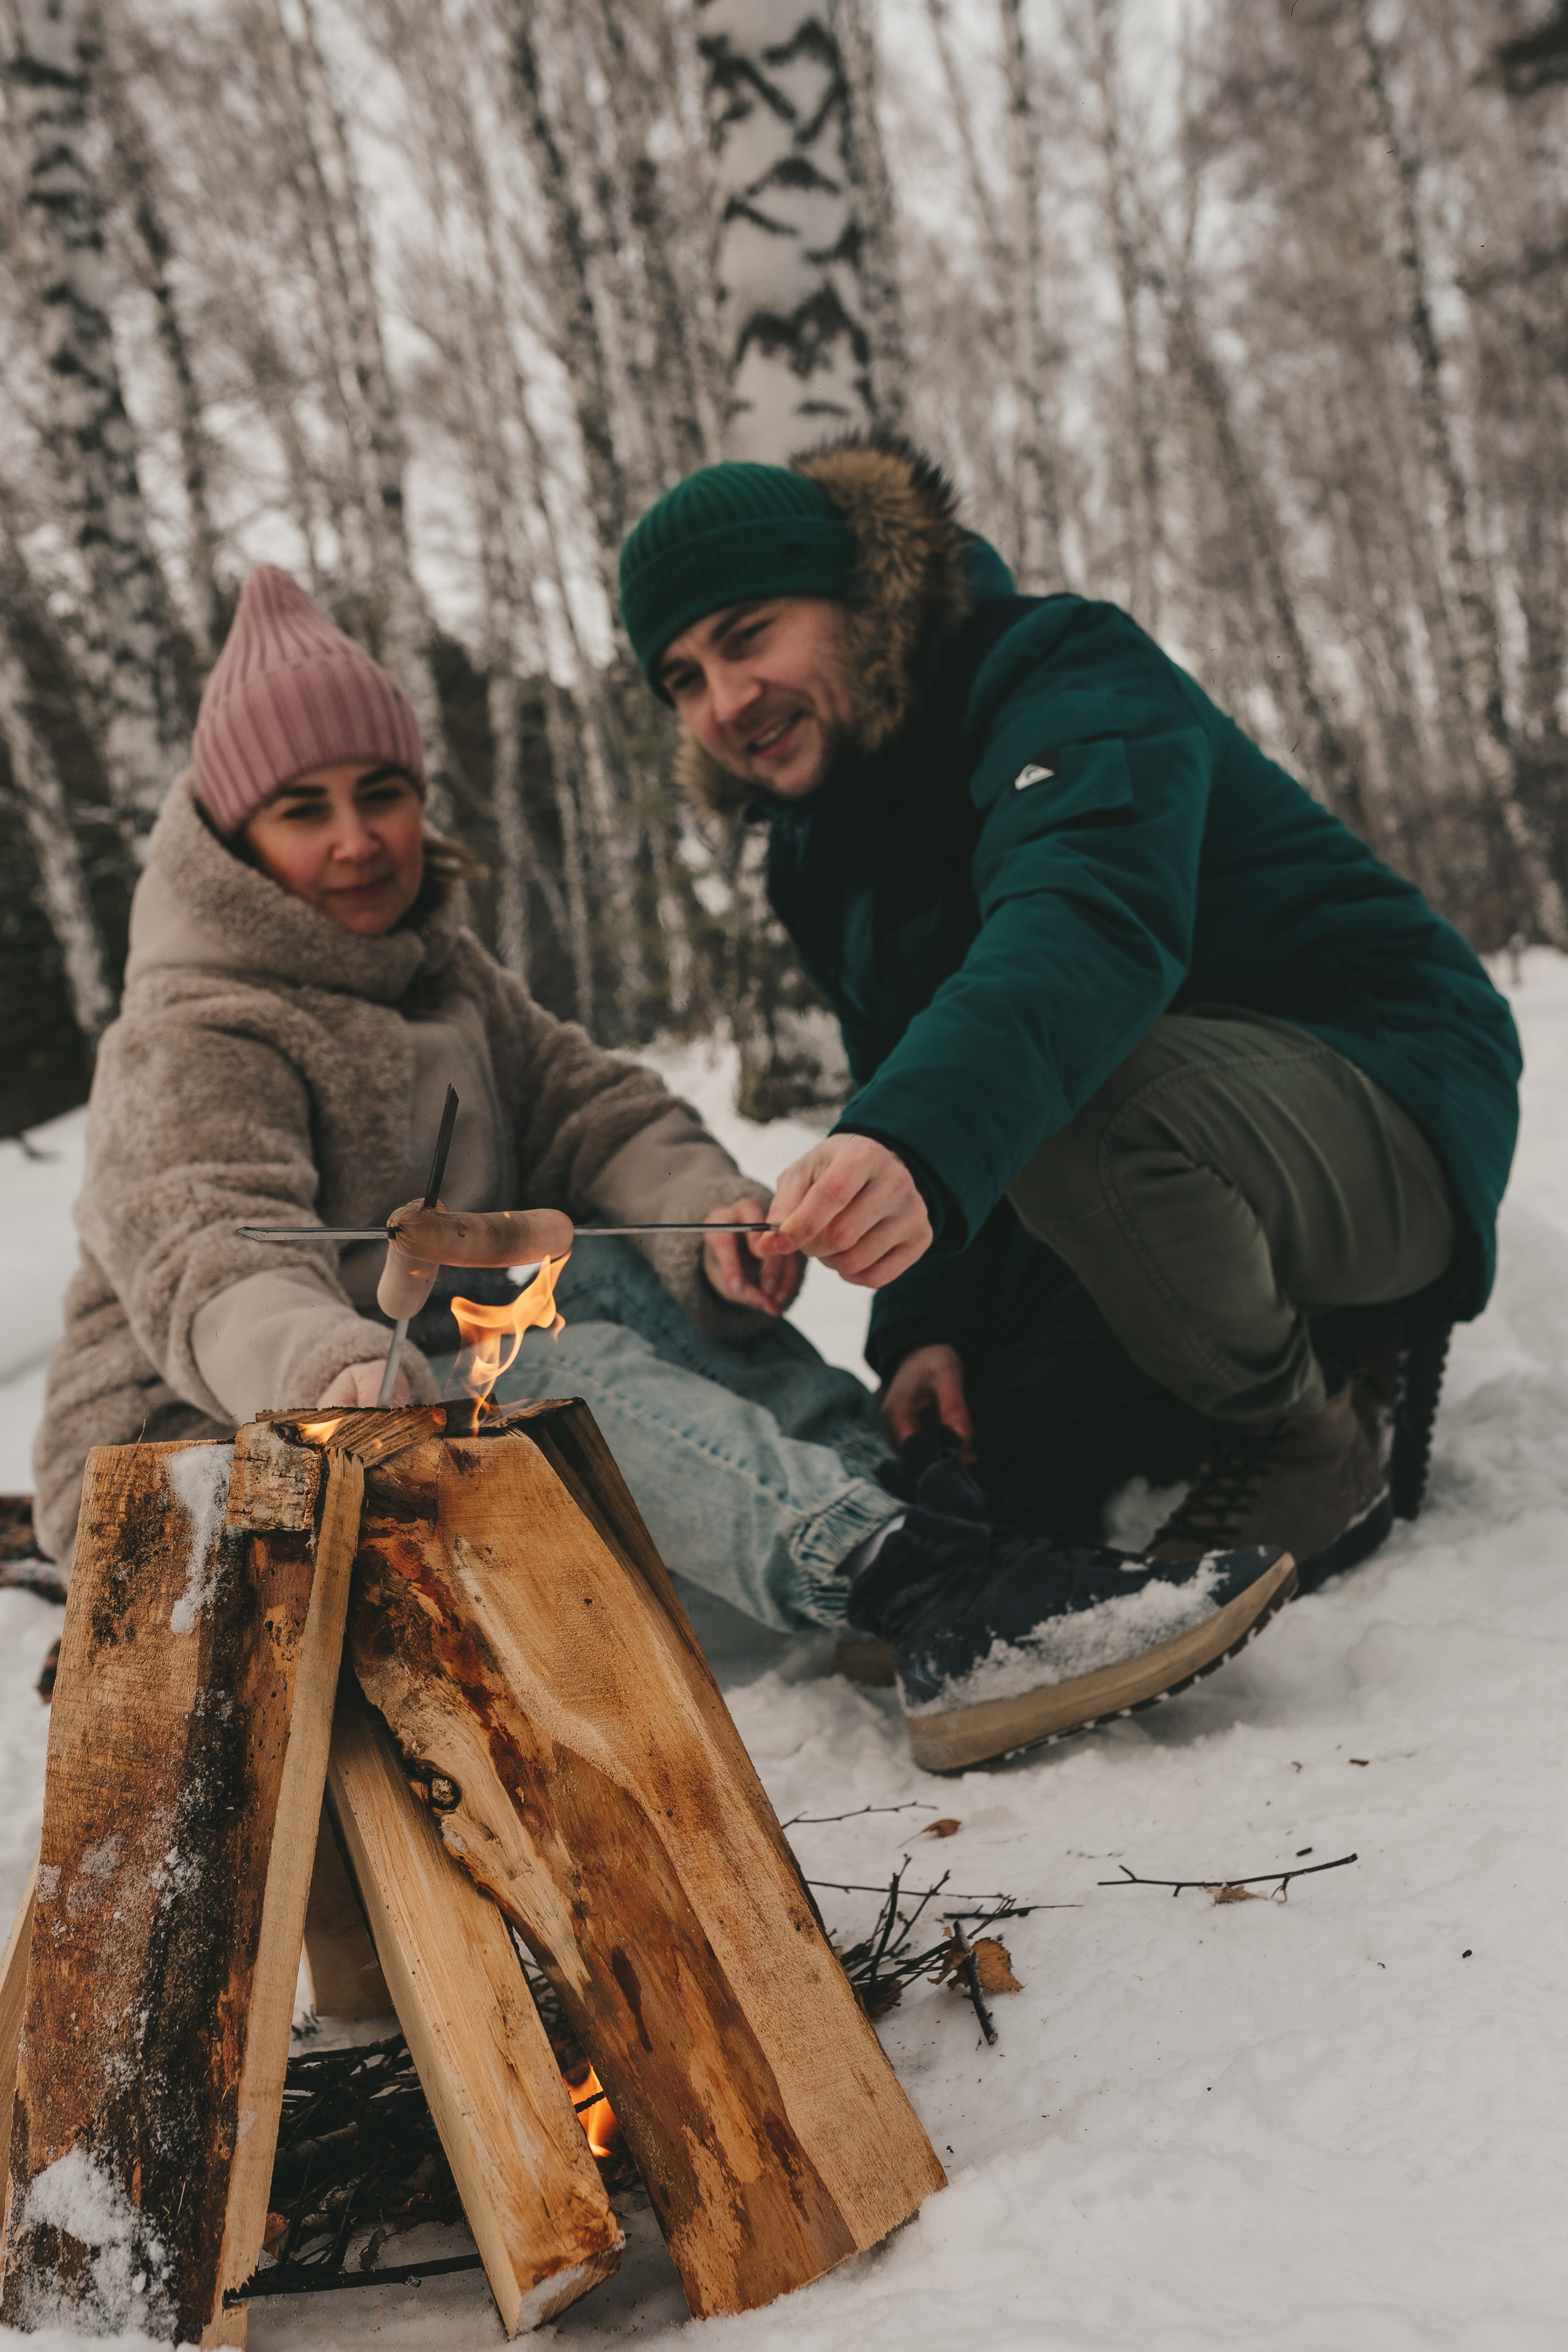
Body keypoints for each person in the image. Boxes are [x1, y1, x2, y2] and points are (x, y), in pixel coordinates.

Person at [33, 562, 1287, 1774]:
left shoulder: (446, 980)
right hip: (208, 1467)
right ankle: (898, 1577)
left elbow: (598, 1113)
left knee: (620, 1277)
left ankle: (918, 1530)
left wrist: (703, 1219)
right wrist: (328, 1366)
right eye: (305, 811)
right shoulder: (192, 1029)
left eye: (382, 793)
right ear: (236, 840)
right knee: (533, 1364)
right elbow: (208, 1253)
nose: (360, 840)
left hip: (410, 1433)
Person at [619, 432, 1521, 1587]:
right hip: (1169, 1152)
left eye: (749, 638)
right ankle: (1273, 1348)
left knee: (1079, 1101)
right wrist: (922, 1330)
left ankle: (1307, 1432)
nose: (726, 702)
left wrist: (909, 1142)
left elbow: (1086, 928)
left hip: (1390, 1096)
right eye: (682, 678)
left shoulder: (1060, 669)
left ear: (856, 598)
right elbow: (902, 1066)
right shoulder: (815, 857)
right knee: (1005, 1461)